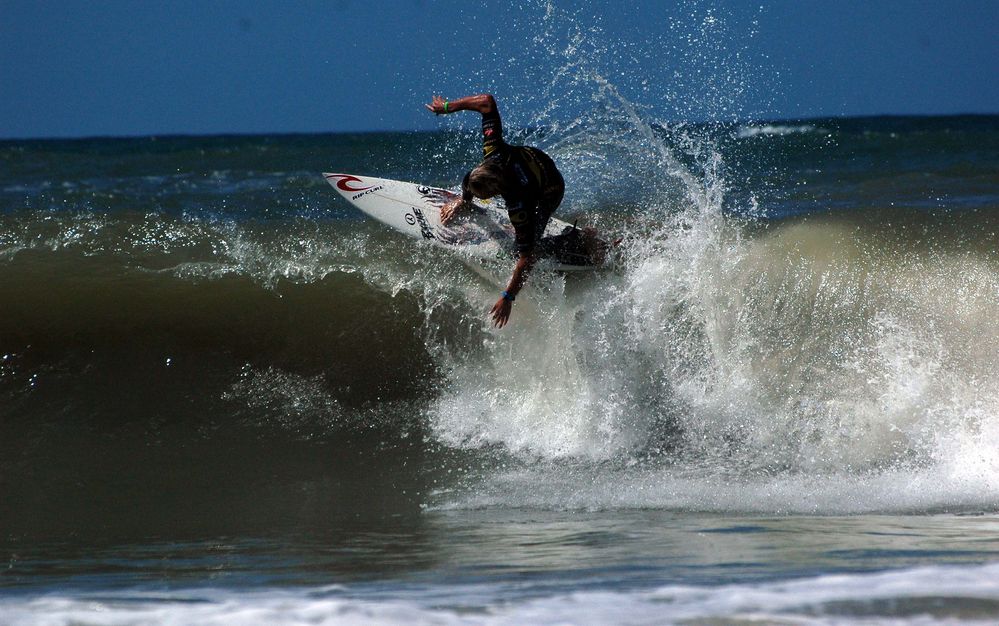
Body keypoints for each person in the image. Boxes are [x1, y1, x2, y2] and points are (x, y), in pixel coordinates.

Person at [425, 93, 567, 328]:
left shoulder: (519, 205)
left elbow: (526, 258)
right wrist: (449, 107)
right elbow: (487, 102)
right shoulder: (493, 150)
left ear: (495, 192)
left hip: (549, 189)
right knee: (471, 180)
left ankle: (583, 240)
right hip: (534, 160)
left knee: (527, 246)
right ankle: (464, 200)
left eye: (481, 197)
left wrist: (508, 296)